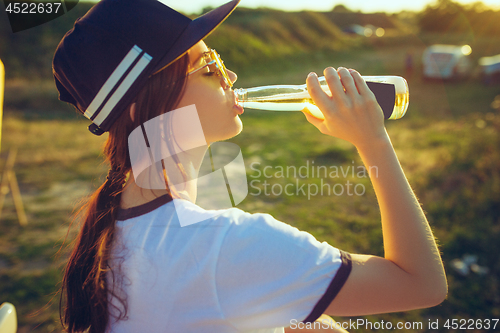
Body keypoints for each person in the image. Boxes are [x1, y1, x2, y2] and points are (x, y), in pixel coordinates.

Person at [52, 0, 447, 332]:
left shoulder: (113, 236)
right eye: (209, 69)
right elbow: (421, 285)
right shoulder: (229, 245)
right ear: (141, 105)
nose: (231, 77)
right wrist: (373, 141)